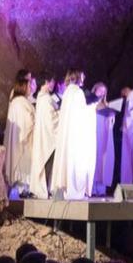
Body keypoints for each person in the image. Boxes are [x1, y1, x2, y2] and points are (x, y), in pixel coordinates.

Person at [50, 69, 98, 199]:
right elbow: (81, 114)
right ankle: (74, 191)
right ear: (77, 77)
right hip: (75, 135)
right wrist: (92, 107)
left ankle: (65, 189)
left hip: (67, 134)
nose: (84, 78)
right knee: (74, 162)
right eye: (82, 76)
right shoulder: (77, 92)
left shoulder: (67, 92)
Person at [29, 72, 59, 199]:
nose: (54, 84)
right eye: (52, 81)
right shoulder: (46, 99)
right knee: (47, 162)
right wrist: (63, 113)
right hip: (47, 138)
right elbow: (51, 119)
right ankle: (45, 189)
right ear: (47, 82)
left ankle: (44, 189)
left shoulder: (42, 98)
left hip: (44, 136)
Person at [4, 78, 35, 193]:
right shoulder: (22, 103)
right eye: (28, 86)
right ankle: (23, 189)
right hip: (23, 141)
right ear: (23, 87)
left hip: (16, 140)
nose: (30, 88)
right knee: (23, 166)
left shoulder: (15, 101)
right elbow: (26, 122)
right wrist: (34, 119)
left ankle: (20, 188)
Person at [92, 83, 116, 196]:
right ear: (94, 91)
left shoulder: (107, 105)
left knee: (103, 161)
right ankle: (91, 188)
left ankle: (101, 189)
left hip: (103, 135)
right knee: (93, 160)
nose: (101, 93)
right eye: (99, 91)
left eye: (104, 91)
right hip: (92, 134)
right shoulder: (90, 104)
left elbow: (111, 123)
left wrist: (111, 116)